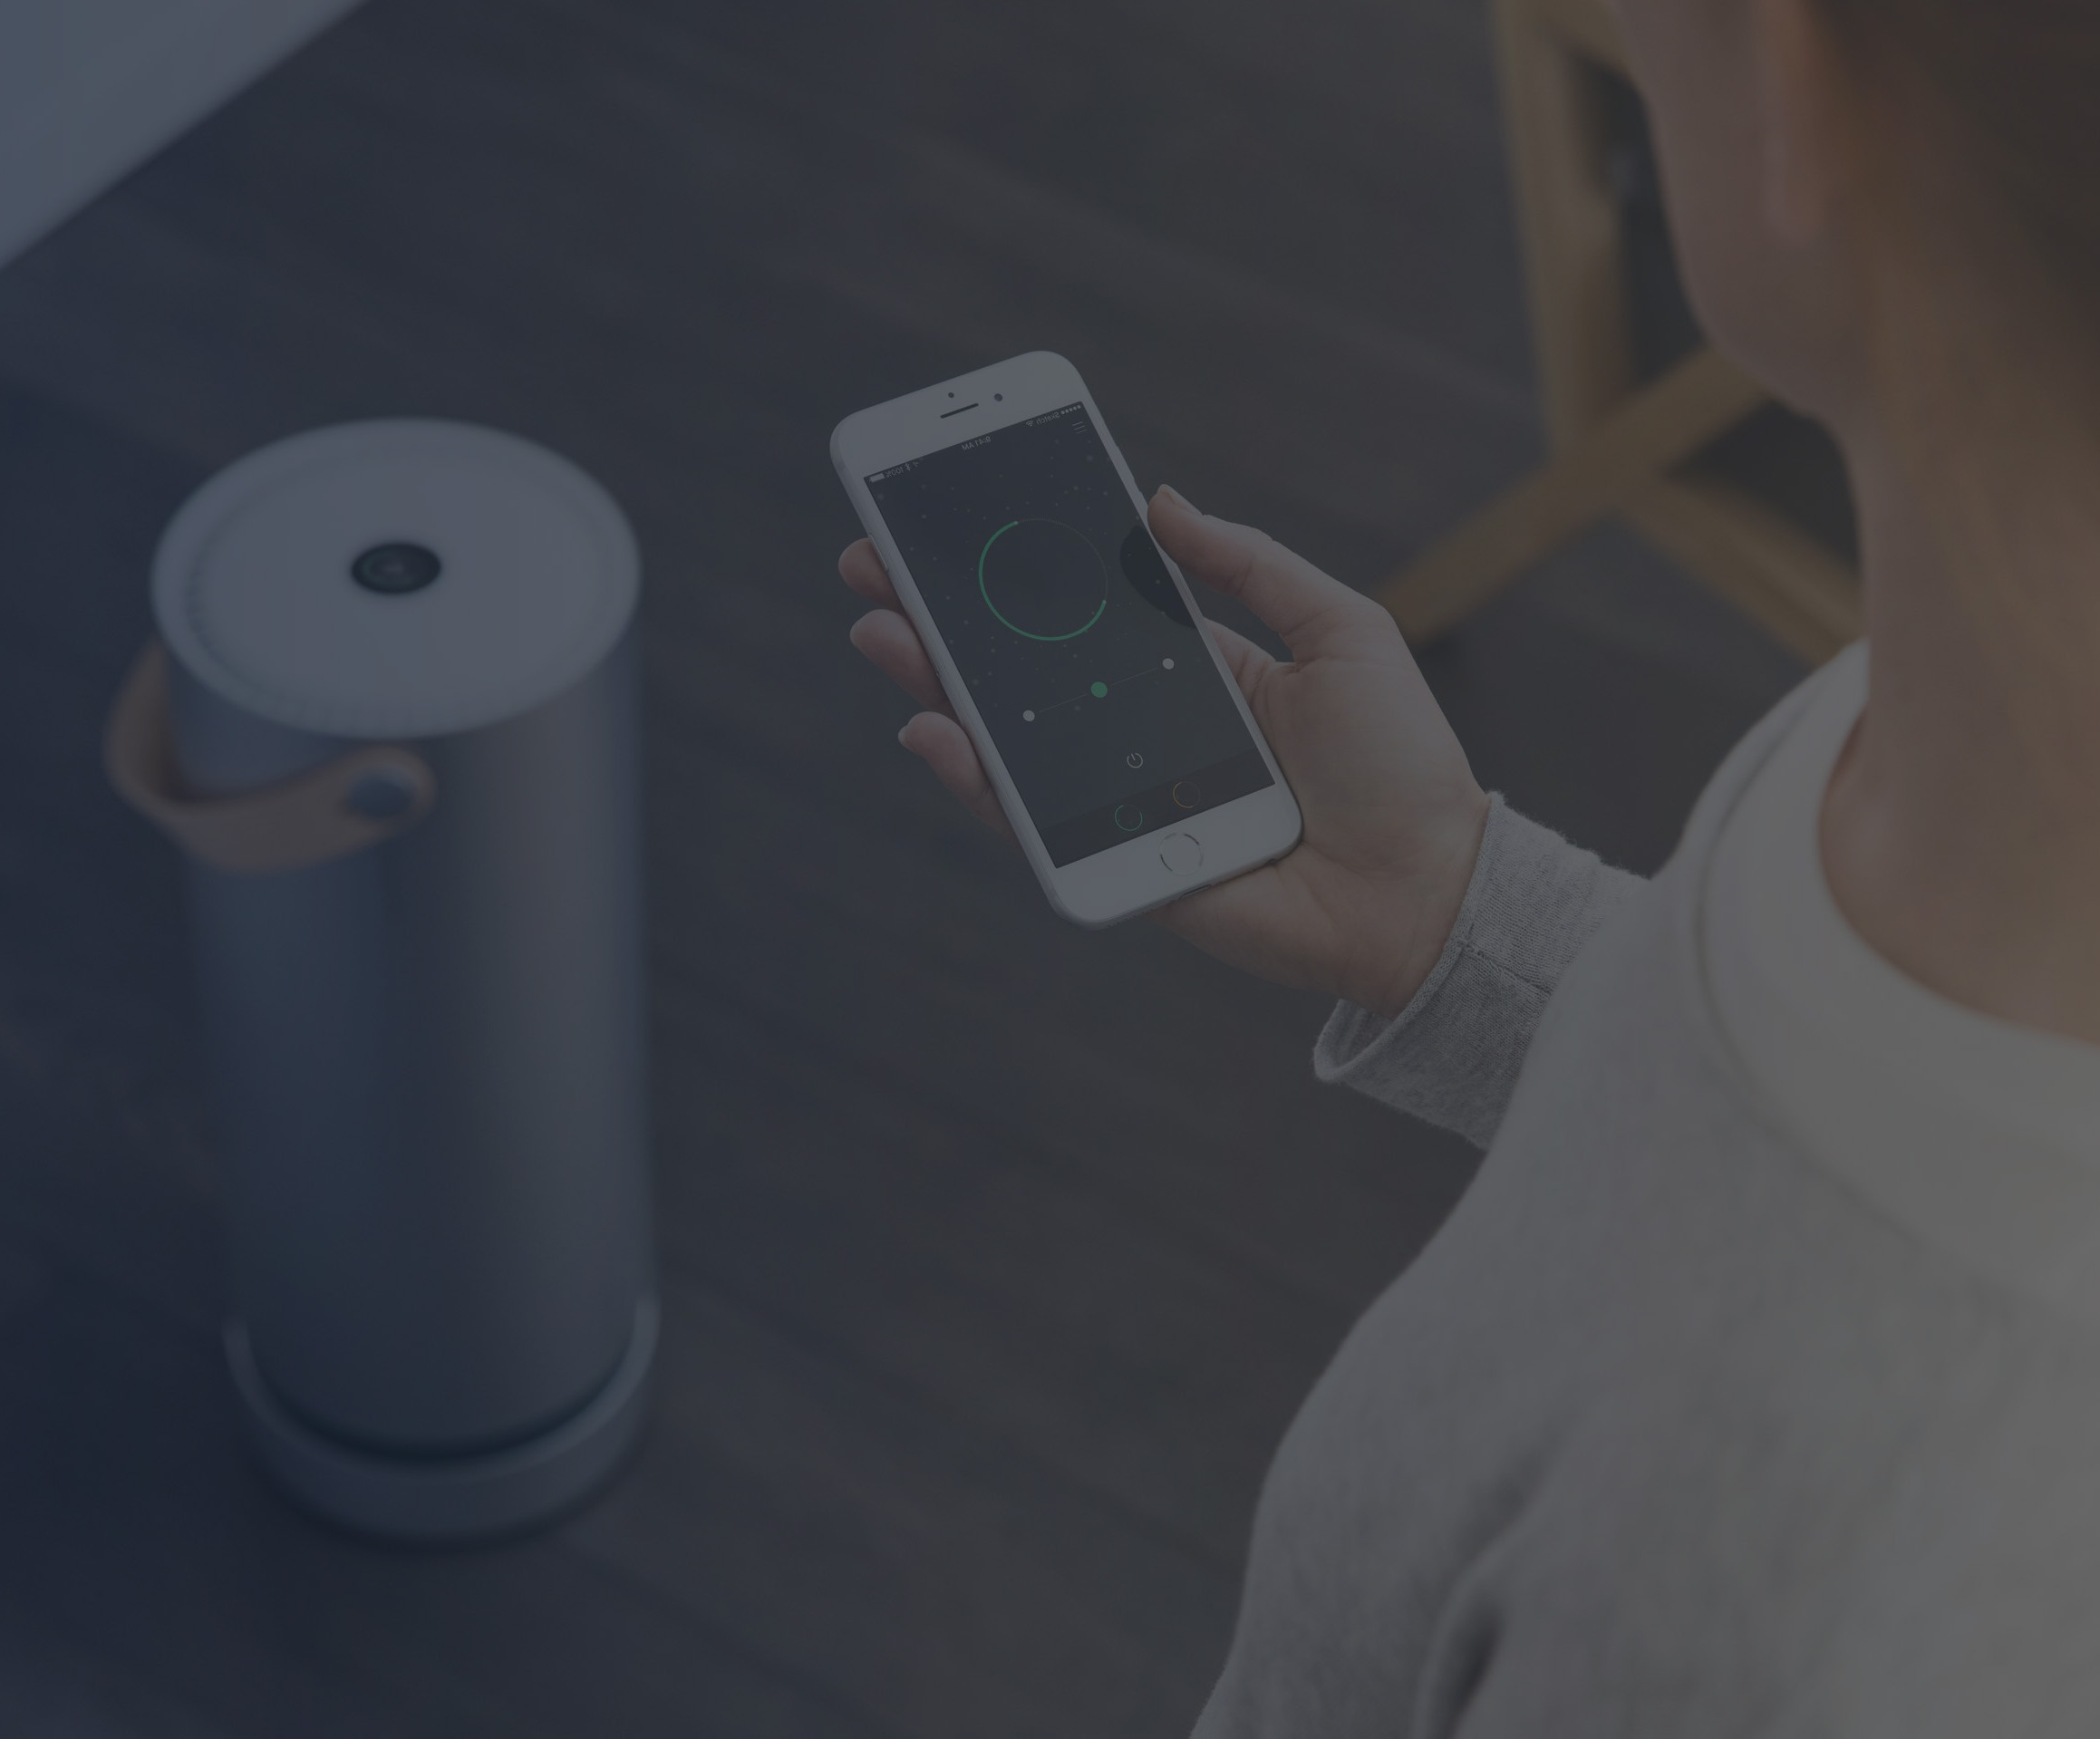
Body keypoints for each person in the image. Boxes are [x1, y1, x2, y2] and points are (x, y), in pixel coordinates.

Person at [839, 0, 2100, 1730]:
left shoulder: (1760, 1622)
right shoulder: (1974, 697)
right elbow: (1808, 1143)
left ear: (1799, 89)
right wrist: (1466, 921)